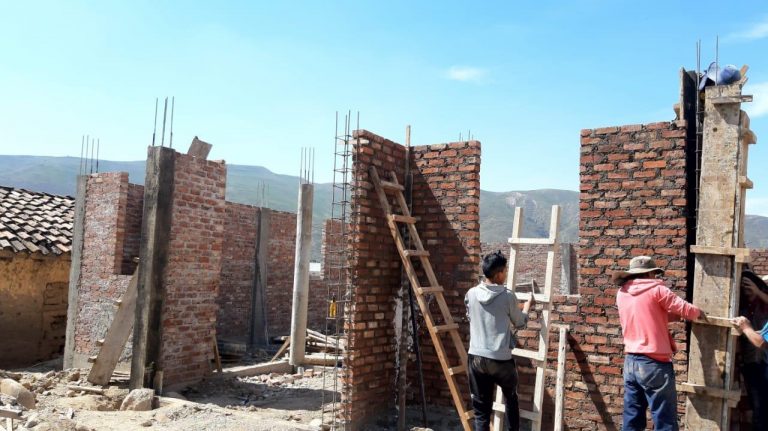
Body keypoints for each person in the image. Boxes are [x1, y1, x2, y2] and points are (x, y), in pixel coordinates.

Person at [612, 256, 702, 431]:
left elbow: (647, 314)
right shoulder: (657, 290)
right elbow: (688, 310)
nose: (655, 276)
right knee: (664, 420)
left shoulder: (622, 293)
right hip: (654, 364)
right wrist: (700, 313)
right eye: (654, 273)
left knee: (632, 418)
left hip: (631, 362)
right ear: (649, 273)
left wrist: (673, 316)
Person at [465, 251, 534, 431]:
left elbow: (473, 316)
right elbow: (519, 322)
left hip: (476, 358)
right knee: (511, 399)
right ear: (498, 274)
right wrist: (527, 307)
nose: (506, 274)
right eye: (505, 271)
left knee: (481, 410)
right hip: (500, 359)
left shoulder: (471, 294)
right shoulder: (507, 296)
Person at [732, 269, 768, 430]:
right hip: (752, 364)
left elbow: (760, 342)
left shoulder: (763, 305)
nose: (747, 291)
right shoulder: (743, 308)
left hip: (765, 363)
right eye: (743, 287)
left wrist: (746, 328)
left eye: (749, 286)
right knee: (758, 407)